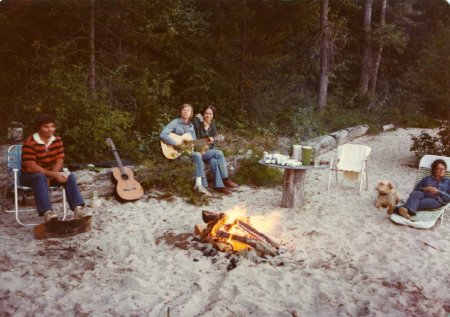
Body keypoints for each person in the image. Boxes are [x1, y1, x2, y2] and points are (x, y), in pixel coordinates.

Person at [20, 114, 89, 223]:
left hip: (49, 173)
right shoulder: (30, 142)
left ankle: (78, 209)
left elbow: (60, 159)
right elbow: (30, 166)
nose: (50, 129)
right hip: (29, 176)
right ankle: (48, 213)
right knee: (39, 177)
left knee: (69, 176)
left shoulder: (56, 140)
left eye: (52, 126)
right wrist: (51, 175)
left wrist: (53, 175)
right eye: (46, 126)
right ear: (39, 128)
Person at [192, 105, 238, 194]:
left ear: (213, 116)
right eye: (206, 113)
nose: (208, 116)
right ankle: (225, 178)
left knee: (214, 161)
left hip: (206, 152)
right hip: (197, 152)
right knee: (219, 153)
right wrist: (198, 117)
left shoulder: (212, 126)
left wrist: (208, 146)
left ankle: (219, 186)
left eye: (210, 114)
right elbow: (193, 139)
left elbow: (212, 145)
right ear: (203, 114)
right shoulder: (197, 123)